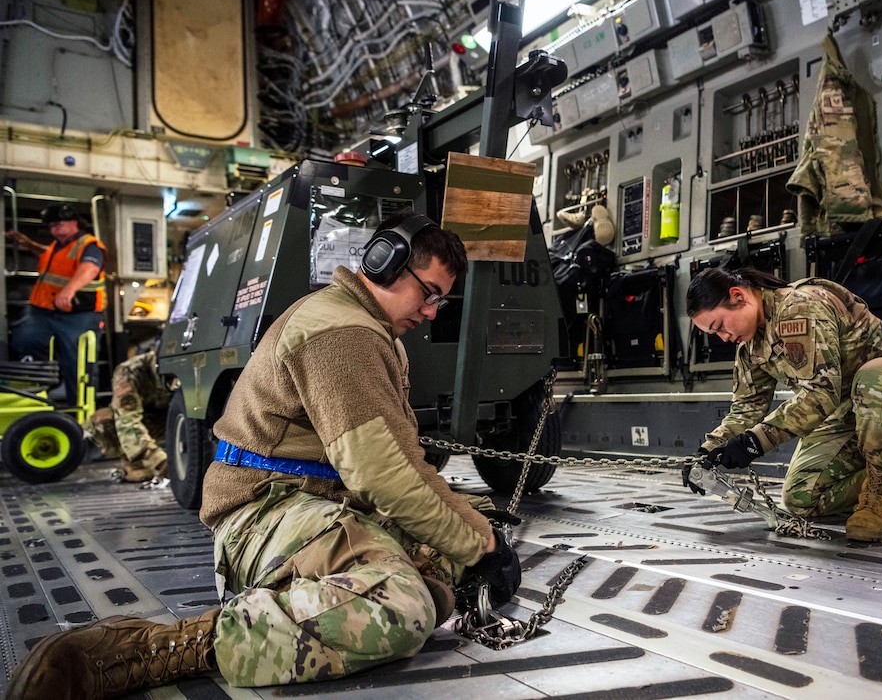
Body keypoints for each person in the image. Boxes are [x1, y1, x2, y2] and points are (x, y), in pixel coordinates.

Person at [6, 211, 521, 698]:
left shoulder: (369, 330)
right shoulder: (343, 333)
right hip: (262, 512)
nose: (431, 312)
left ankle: (344, 589)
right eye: (428, 294)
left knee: (455, 542)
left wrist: (477, 535)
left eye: (441, 303)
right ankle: (148, 651)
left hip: (311, 502)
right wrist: (481, 549)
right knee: (399, 607)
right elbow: (384, 476)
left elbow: (406, 465)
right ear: (383, 262)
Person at [681, 266, 882, 543]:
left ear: (738, 296)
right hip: (852, 411)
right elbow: (746, 407)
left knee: (875, 377)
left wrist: (755, 442)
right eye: (714, 334)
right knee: (802, 498)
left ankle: (880, 501)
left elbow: (821, 393)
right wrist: (707, 452)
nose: (724, 337)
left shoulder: (798, 306)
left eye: (719, 326)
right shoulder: (749, 346)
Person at [7, 203, 106, 405]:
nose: (54, 229)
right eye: (51, 226)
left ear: (74, 223)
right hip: (43, 310)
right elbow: (48, 256)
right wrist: (28, 244)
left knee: (78, 365)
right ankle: (37, 395)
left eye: (59, 224)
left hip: (78, 315)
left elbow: (89, 269)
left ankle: (81, 412)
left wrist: (69, 290)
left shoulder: (89, 245)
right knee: (26, 338)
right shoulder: (57, 246)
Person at [84, 349, 177, 483]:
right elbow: (127, 420)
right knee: (102, 421)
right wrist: (159, 459)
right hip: (147, 421)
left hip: (173, 418)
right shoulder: (129, 371)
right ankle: (135, 461)